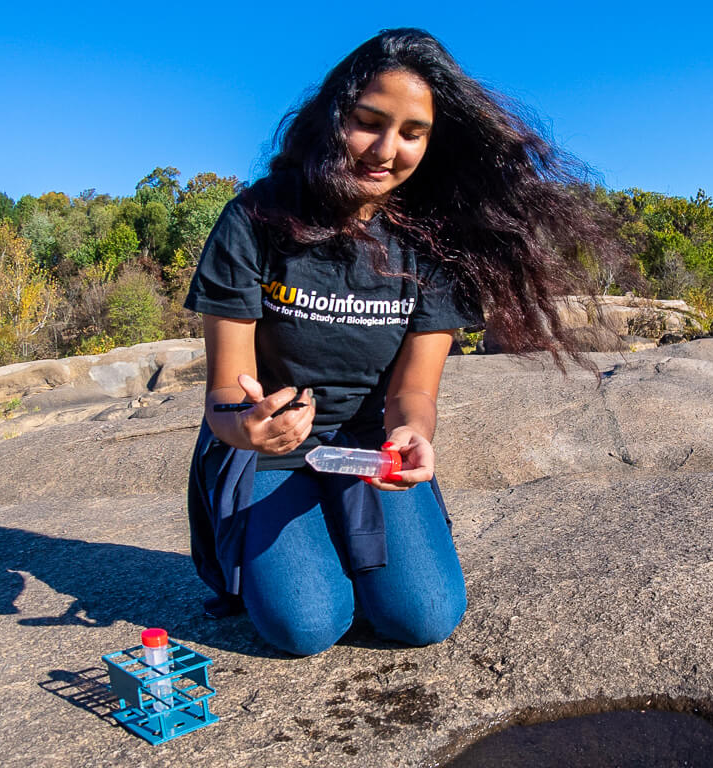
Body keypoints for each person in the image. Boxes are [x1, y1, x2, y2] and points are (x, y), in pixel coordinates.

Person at [185, 28, 604, 656]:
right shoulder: (255, 220)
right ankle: (271, 549)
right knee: (306, 626)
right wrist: (247, 426)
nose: (387, 150)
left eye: (412, 133)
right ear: (333, 117)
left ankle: (343, 541)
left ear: (433, 141)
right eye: (368, 122)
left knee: (424, 616)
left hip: (366, 448)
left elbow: (413, 392)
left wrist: (413, 435)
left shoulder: (438, 243)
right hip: (272, 444)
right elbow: (224, 391)